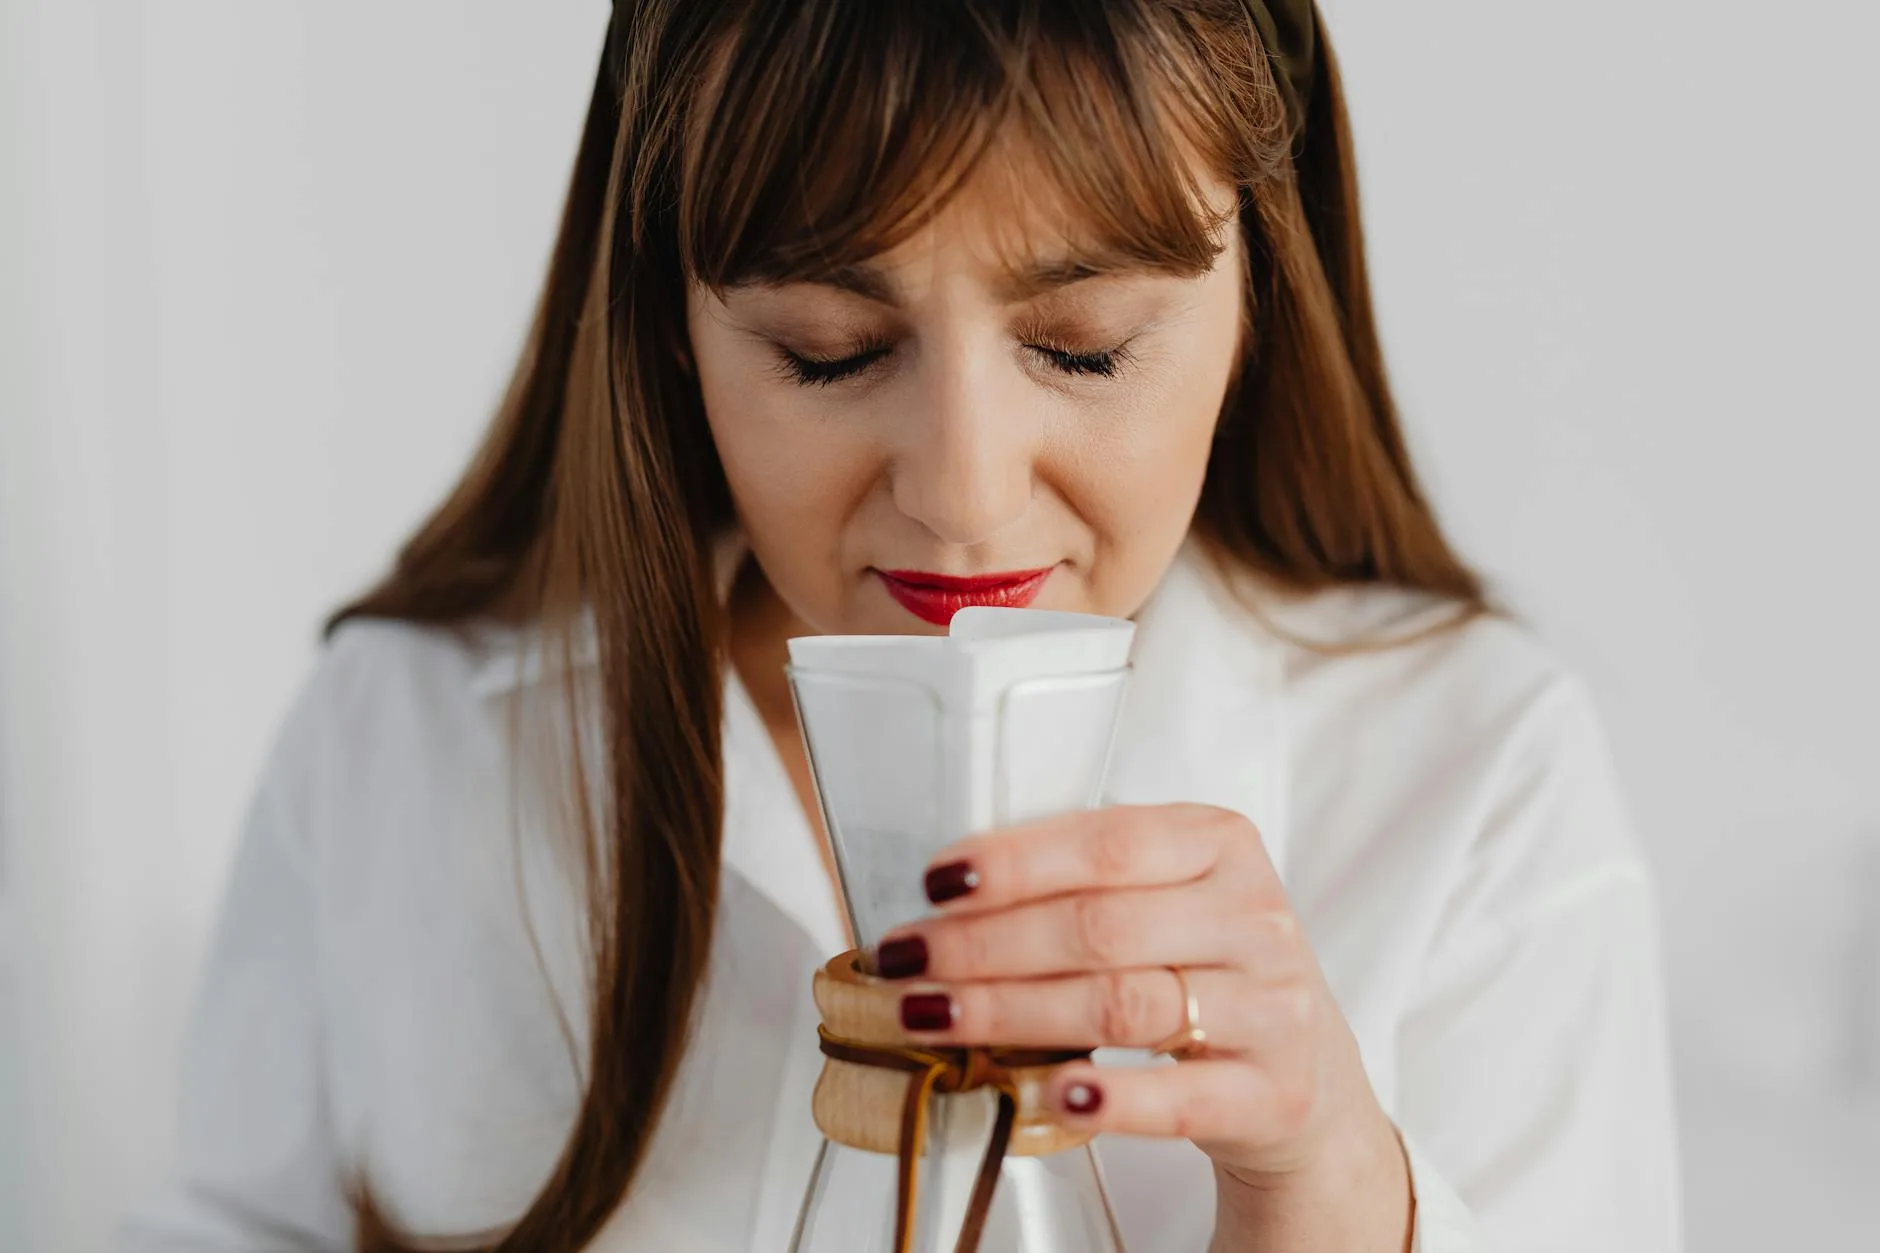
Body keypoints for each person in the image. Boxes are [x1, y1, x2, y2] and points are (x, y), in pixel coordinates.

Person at [123, 2, 1681, 1250]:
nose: (962, 496)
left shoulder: (1471, 769)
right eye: (826, 351)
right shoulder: (402, 743)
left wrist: (1329, 1198)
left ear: (1257, 299)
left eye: (1080, 350)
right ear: (671, 326)